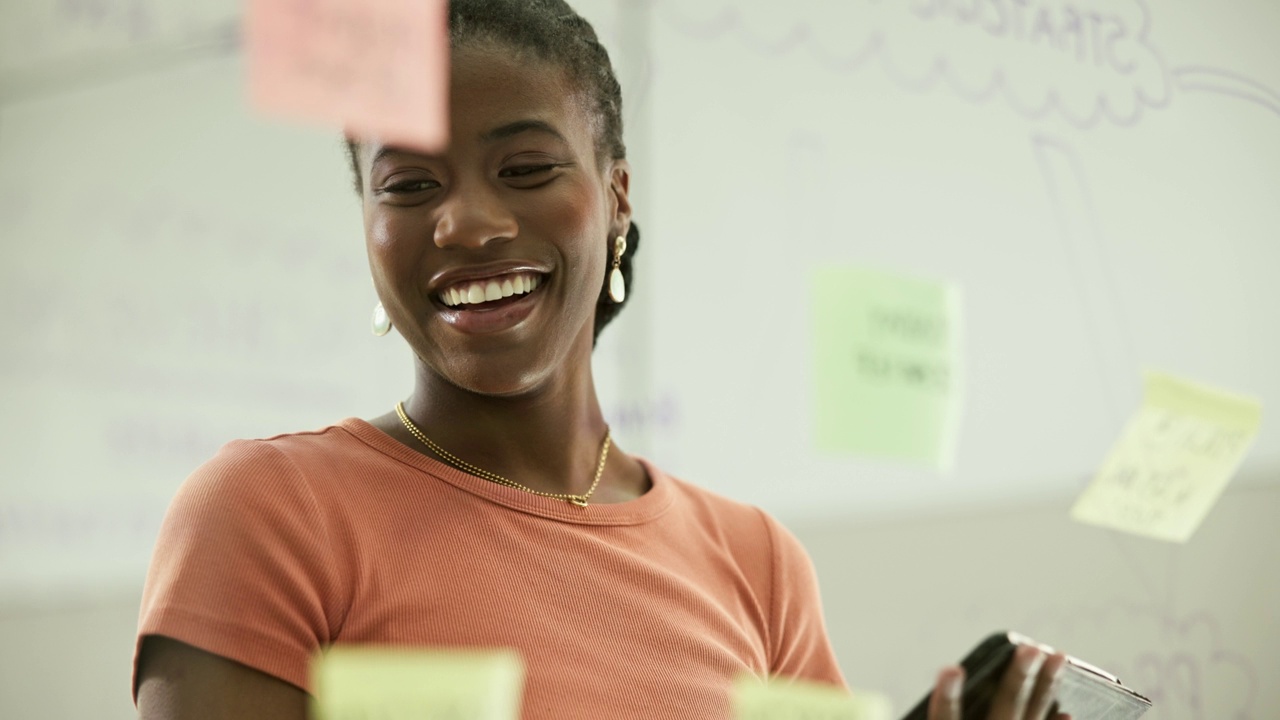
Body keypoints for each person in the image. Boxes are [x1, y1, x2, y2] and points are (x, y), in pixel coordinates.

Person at [133, 1, 1068, 718]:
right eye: (410, 186)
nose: (464, 221)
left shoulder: (757, 563)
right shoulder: (271, 514)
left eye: (526, 169)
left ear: (616, 197)